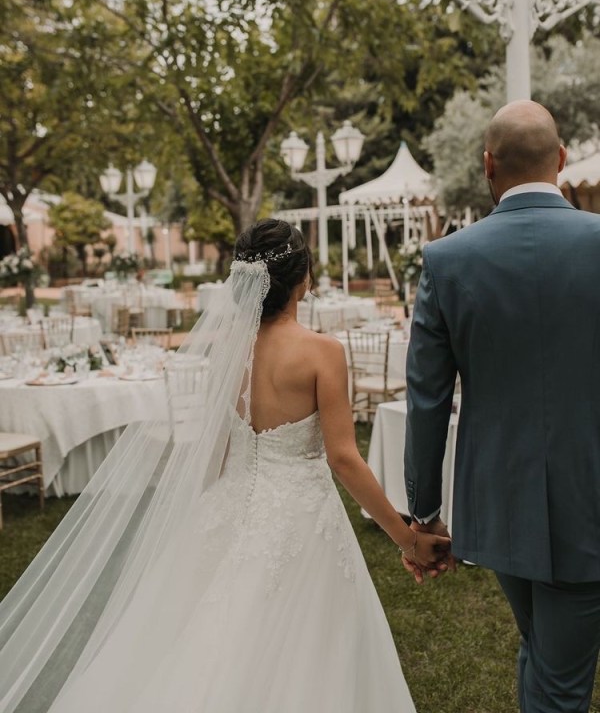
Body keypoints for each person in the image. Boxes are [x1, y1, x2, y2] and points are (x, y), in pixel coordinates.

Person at [0, 218, 450, 713]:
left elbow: (215, 448)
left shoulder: (229, 352)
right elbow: (344, 458)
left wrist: (204, 516)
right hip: (300, 519)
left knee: (207, 636)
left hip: (229, 501)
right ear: (305, 277)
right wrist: (406, 538)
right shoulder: (323, 352)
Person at [403, 100, 600, 712]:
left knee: (541, 652)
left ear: (487, 165)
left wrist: (423, 511)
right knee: (560, 681)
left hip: (499, 498)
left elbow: (427, 397)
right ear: (562, 160)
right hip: (591, 496)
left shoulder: (446, 259)